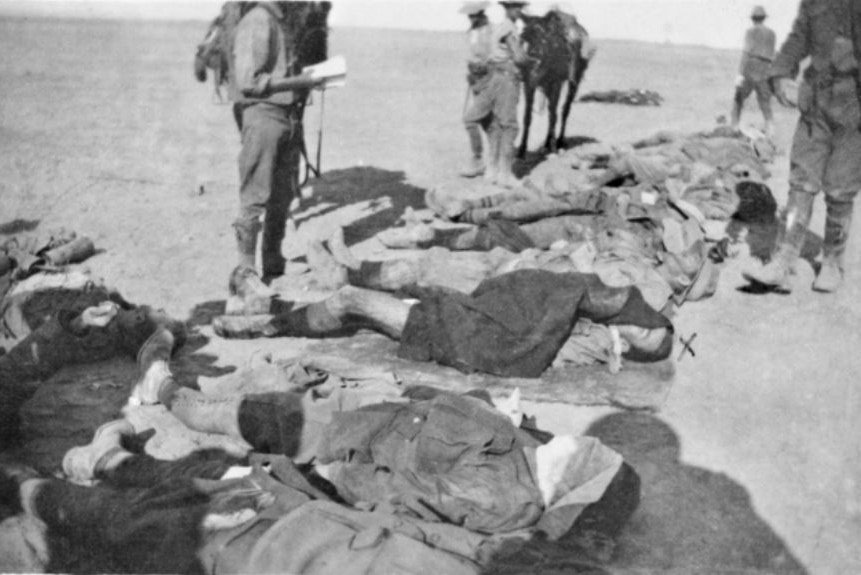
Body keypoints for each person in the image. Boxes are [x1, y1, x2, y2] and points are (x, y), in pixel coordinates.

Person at [212, 268, 673, 378]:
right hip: (463, 316)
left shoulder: (591, 343)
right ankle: (269, 310)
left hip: (456, 331)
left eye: (642, 331)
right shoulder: (586, 324)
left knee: (353, 300)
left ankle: (264, 325)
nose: (639, 325)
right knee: (373, 300)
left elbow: (653, 339)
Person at [743, 0, 861, 293]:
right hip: (816, 102)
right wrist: (781, 73)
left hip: (854, 108)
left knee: (840, 188)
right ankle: (783, 260)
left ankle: (832, 262)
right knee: (801, 183)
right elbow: (798, 37)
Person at [230, 2, 326, 291]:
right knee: (255, 197)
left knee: (282, 195)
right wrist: (302, 81)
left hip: (287, 117)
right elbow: (249, 81)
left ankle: (273, 264)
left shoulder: (278, 20)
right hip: (264, 117)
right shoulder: (258, 20)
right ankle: (245, 274)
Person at [462, 1, 528, 187]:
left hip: (493, 77)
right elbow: (519, 58)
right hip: (507, 78)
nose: (519, 11)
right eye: (517, 8)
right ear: (509, 9)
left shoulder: (497, 28)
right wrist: (531, 61)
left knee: (496, 124)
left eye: (520, 8)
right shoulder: (508, 29)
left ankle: (491, 170)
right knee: (509, 125)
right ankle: (505, 174)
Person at [460, 2, 494, 178]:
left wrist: (482, 65)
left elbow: (494, 57)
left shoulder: (491, 32)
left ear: (481, 14)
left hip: (489, 80)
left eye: (473, 15)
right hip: (475, 80)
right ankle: (493, 159)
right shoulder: (472, 31)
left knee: (469, 120)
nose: (470, 19)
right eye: (469, 16)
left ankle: (478, 158)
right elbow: (472, 54)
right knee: (486, 120)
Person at [731, 6, 776, 135]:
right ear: (764, 18)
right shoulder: (772, 34)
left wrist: (740, 73)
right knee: (764, 100)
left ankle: (734, 126)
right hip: (766, 68)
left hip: (751, 67)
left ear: (753, 19)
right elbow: (772, 54)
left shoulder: (750, 32)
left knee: (738, 98)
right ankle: (771, 129)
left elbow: (746, 52)